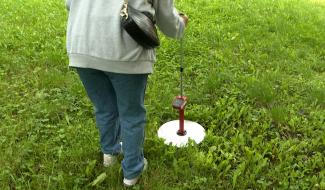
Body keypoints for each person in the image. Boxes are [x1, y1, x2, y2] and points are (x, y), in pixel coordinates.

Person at [65, 0, 188, 186]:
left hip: (82, 45)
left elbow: (70, 4)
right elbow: (169, 22)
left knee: (104, 108)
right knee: (131, 115)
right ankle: (132, 171)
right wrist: (180, 24)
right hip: (125, 52)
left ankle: (110, 155)